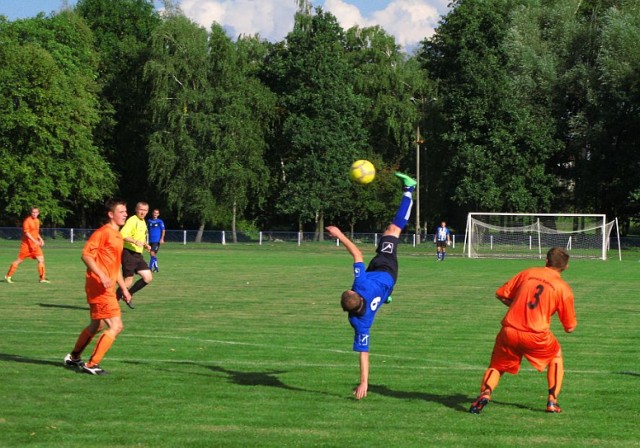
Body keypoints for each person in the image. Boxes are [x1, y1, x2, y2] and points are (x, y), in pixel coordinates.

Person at [326, 172, 417, 400]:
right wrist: (338, 234)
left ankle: (386, 297)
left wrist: (364, 382)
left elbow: (363, 353)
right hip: (384, 270)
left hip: (383, 285)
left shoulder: (359, 322)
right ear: (354, 294)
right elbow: (356, 252)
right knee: (392, 231)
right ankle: (410, 189)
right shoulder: (360, 283)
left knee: (389, 232)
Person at [469, 247, 577, 414]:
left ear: (546, 261)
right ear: (566, 267)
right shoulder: (563, 288)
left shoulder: (528, 273)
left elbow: (502, 294)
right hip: (536, 335)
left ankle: (485, 394)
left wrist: (519, 306)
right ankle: (552, 401)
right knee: (556, 355)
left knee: (497, 366)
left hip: (510, 330)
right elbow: (569, 327)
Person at [64, 199, 132, 375]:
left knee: (97, 325)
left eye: (126, 211)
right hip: (100, 287)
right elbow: (86, 255)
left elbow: (114, 267)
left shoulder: (118, 236)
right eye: (121, 211)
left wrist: (124, 288)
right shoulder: (103, 233)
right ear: (111, 214)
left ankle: (74, 358)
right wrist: (101, 275)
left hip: (106, 287)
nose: (125, 214)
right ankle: (92, 364)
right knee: (116, 326)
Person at [116, 201, 153, 309]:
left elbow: (140, 237)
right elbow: (122, 234)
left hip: (138, 255)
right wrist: (135, 242)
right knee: (128, 281)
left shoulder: (142, 221)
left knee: (148, 277)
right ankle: (113, 303)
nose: (143, 212)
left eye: (145, 210)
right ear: (136, 210)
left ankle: (129, 294)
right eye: (141, 210)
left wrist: (145, 245)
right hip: (129, 253)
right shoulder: (132, 220)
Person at [5, 207, 50, 283]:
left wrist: (41, 239)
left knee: (41, 260)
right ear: (31, 213)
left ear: (38, 213)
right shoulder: (27, 221)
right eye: (33, 212)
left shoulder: (37, 221)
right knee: (18, 261)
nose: (34, 214)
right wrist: (35, 241)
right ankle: (8, 276)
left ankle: (42, 279)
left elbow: (36, 232)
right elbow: (27, 233)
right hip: (26, 246)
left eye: (36, 212)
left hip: (35, 246)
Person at [147, 208, 165, 272]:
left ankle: (150, 268)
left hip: (156, 240)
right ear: (152, 213)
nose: (155, 214)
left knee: (152, 253)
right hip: (151, 240)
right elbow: (147, 230)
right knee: (152, 254)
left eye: (157, 213)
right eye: (154, 213)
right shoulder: (149, 221)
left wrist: (162, 238)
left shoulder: (160, 221)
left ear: (158, 214)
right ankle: (156, 268)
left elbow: (163, 230)